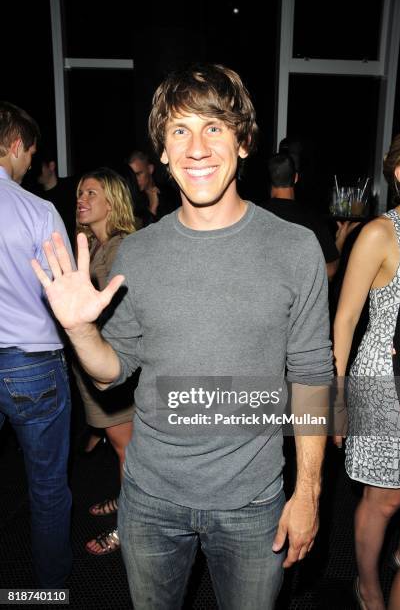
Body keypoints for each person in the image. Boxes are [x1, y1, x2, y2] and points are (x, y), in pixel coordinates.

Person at [32, 63, 333, 609]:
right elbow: (113, 369)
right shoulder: (138, 253)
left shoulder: (294, 249)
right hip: (149, 501)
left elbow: (313, 375)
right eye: (179, 131)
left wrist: (309, 490)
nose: (197, 146)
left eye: (214, 127)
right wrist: (79, 330)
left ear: (243, 142)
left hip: (253, 502)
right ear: (163, 154)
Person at [0, 101, 73, 587]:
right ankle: (48, 594)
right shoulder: (36, 210)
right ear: (15, 146)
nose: (31, 162)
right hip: (32, 364)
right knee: (47, 489)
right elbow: (66, 295)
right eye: (29, 152)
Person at [333, 131, 400, 610]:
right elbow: (345, 319)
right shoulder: (381, 233)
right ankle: (369, 586)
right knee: (386, 499)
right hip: (381, 378)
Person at [73, 167, 138, 554]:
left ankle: (128, 528)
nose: (81, 198)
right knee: (123, 451)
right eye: (80, 192)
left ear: (113, 201)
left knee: (127, 452)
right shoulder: (95, 245)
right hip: (98, 368)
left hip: (117, 369)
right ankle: (124, 499)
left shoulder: (122, 246)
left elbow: (119, 311)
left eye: (91, 193)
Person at [260, 152, 358, 280]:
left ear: (269, 180)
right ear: (295, 178)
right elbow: (329, 272)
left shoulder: (256, 215)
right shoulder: (312, 218)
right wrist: (341, 239)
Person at [35, 150, 78, 246]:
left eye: (40, 167)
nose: (36, 172)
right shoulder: (36, 198)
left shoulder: (71, 188)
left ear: (51, 166)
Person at [127, 149, 180, 223]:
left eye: (138, 174)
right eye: (133, 175)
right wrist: (152, 208)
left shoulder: (170, 192)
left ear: (150, 169)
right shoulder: (131, 202)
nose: (135, 179)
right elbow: (142, 233)